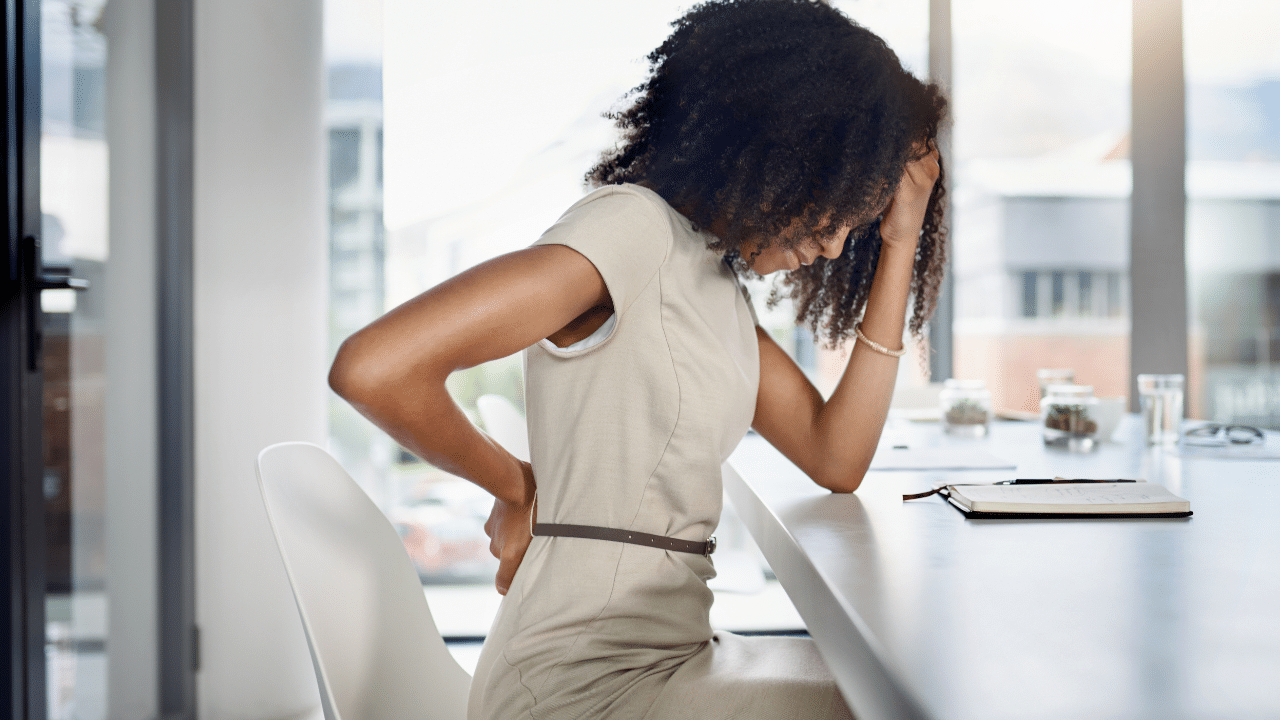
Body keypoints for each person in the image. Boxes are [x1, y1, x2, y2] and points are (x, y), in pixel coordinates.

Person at [329, 1, 947, 717]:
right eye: (843, 206)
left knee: (892, 687)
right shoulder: (631, 228)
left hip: (672, 657)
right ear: (782, 149)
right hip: (581, 688)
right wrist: (517, 486)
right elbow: (373, 367)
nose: (840, 245)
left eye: (861, 221)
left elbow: (835, 456)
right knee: (899, 701)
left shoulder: (709, 277)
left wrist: (899, 244)